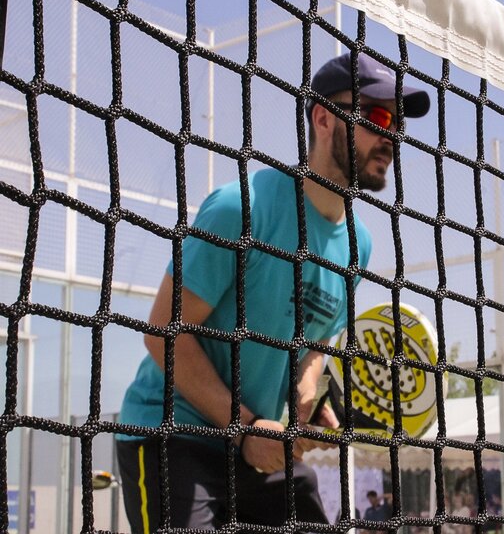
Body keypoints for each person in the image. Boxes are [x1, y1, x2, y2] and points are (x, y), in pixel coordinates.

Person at [114, 52, 430, 532]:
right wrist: (244, 429)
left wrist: (305, 402)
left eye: (396, 124)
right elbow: (162, 333)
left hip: (258, 444)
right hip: (169, 435)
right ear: (324, 119)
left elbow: (316, 342)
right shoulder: (242, 208)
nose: (390, 137)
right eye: (378, 117)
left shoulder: (357, 246)